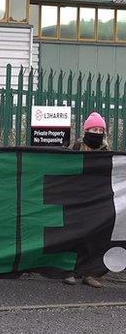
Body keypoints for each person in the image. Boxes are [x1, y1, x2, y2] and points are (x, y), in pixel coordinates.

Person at [64, 111, 109, 288]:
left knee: (94, 237)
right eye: (93, 129)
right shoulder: (76, 147)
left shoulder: (107, 151)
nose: (97, 132)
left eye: (100, 129)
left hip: (97, 201)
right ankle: (69, 271)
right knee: (72, 236)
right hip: (76, 199)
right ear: (86, 130)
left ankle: (90, 274)